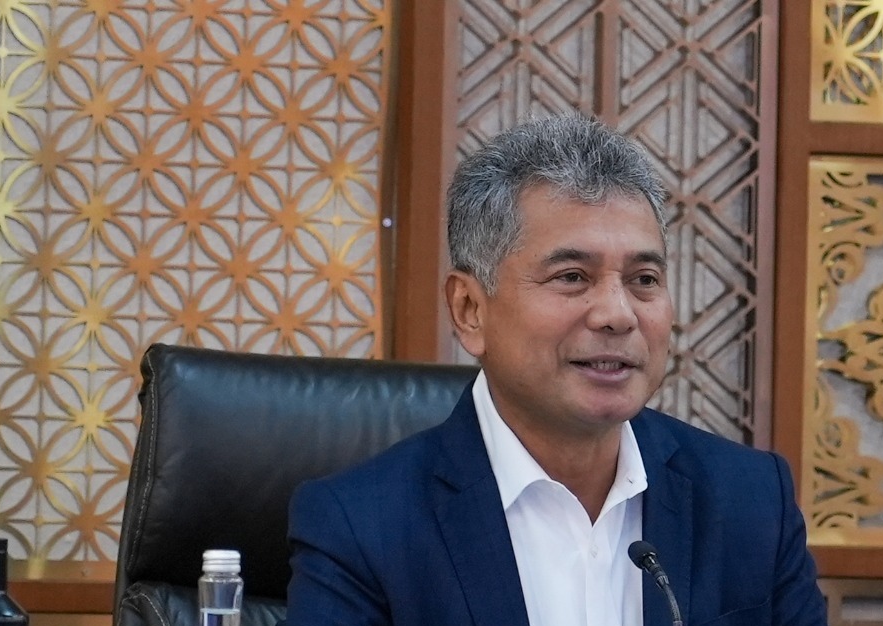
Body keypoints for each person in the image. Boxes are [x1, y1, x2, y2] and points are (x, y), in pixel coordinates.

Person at [284, 114, 827, 626]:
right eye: (571, 277)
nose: (618, 314)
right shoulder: (361, 527)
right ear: (470, 310)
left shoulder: (753, 502)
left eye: (643, 279)